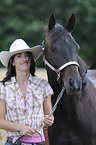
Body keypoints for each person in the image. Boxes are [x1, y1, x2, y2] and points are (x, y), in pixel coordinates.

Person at [0, 38, 54, 145]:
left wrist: (49, 119)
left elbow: (49, 115)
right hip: (14, 142)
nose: (24, 59)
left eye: (27, 55)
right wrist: (20, 128)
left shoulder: (43, 85)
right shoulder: (4, 87)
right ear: (13, 62)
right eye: (19, 56)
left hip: (39, 142)